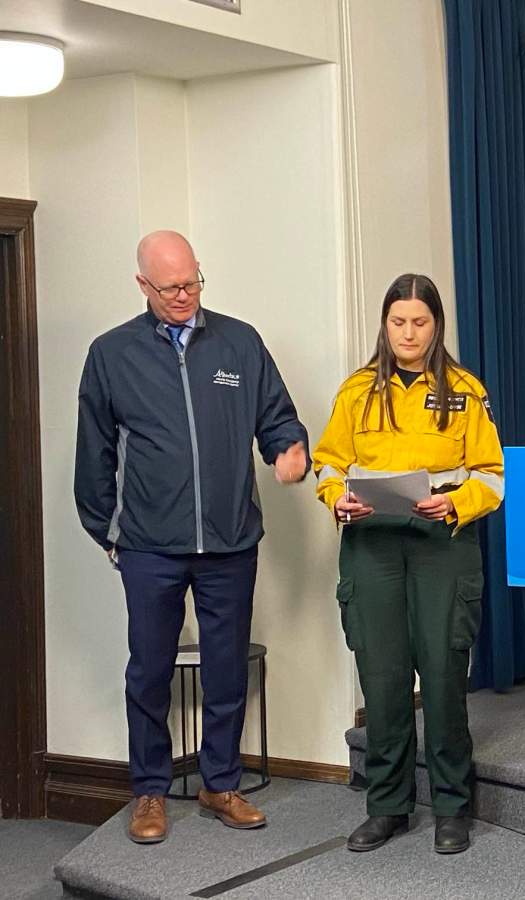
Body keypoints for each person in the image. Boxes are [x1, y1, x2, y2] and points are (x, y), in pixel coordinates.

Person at [74, 231, 310, 845]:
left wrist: (289, 449)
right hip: (149, 545)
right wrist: (108, 530)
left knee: (225, 666)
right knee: (149, 669)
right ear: (142, 285)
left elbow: (277, 417)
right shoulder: (111, 353)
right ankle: (149, 791)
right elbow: (94, 453)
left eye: (193, 281)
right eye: (170, 286)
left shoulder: (240, 341)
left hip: (230, 540)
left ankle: (220, 781)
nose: (185, 295)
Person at [312, 274, 504, 855]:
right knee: (385, 679)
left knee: (444, 677)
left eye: (420, 322)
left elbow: (492, 476)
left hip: (440, 540)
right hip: (372, 543)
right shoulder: (357, 392)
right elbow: (329, 464)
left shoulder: (466, 391)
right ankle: (387, 805)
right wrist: (335, 498)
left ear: (436, 325)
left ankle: (451, 806)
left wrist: (455, 500)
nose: (408, 333)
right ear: (385, 324)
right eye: (398, 322)